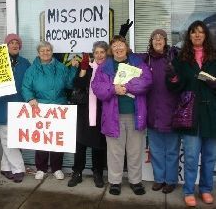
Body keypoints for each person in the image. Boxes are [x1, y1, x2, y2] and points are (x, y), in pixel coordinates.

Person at [92, 35, 152, 196]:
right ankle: (115, 182)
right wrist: (113, 89)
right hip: (113, 116)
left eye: (121, 45)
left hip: (135, 114)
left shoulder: (138, 63)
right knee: (115, 152)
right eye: (115, 45)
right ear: (111, 49)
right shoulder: (104, 66)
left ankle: (135, 181)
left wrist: (126, 86)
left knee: (134, 151)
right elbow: (97, 87)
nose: (118, 48)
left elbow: (146, 81)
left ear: (126, 47)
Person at [167, 20, 216, 207]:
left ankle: (205, 189)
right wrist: (171, 77)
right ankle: (189, 190)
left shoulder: (214, 57)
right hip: (191, 114)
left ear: (205, 35)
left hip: (211, 114)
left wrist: (213, 83)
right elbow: (174, 87)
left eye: (201, 32)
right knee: (191, 157)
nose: (197, 35)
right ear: (189, 35)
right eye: (194, 32)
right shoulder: (181, 59)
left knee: (210, 156)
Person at [22, 41, 78, 180]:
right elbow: (26, 86)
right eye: (42, 51)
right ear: (38, 53)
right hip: (40, 107)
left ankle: (57, 168)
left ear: (52, 52)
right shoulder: (32, 69)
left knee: (57, 139)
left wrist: (74, 69)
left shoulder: (61, 67)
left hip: (59, 106)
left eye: (48, 50)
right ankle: (41, 168)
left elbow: (69, 84)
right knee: (42, 139)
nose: (45, 53)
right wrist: (30, 98)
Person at [142, 29, 180, 194]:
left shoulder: (174, 57)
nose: (158, 40)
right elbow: (125, 55)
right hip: (152, 112)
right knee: (156, 150)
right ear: (151, 41)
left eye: (161, 38)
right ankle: (159, 179)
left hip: (171, 111)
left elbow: (181, 81)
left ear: (165, 41)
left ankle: (171, 180)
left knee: (171, 150)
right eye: (155, 38)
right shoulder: (146, 59)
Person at [0, 33, 31, 183]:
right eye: (11, 43)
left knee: (17, 139)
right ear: (6, 46)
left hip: (20, 107)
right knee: (8, 139)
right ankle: (18, 168)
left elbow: (29, 83)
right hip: (2, 106)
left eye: (16, 43)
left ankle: (5, 167)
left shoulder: (25, 63)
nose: (14, 45)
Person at [68, 41, 108, 188]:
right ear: (93, 53)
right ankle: (77, 172)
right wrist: (83, 68)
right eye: (96, 52)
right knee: (80, 143)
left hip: (101, 110)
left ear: (106, 53)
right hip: (84, 110)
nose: (99, 55)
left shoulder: (109, 68)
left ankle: (97, 173)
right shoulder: (87, 66)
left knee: (98, 144)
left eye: (102, 52)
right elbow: (78, 84)